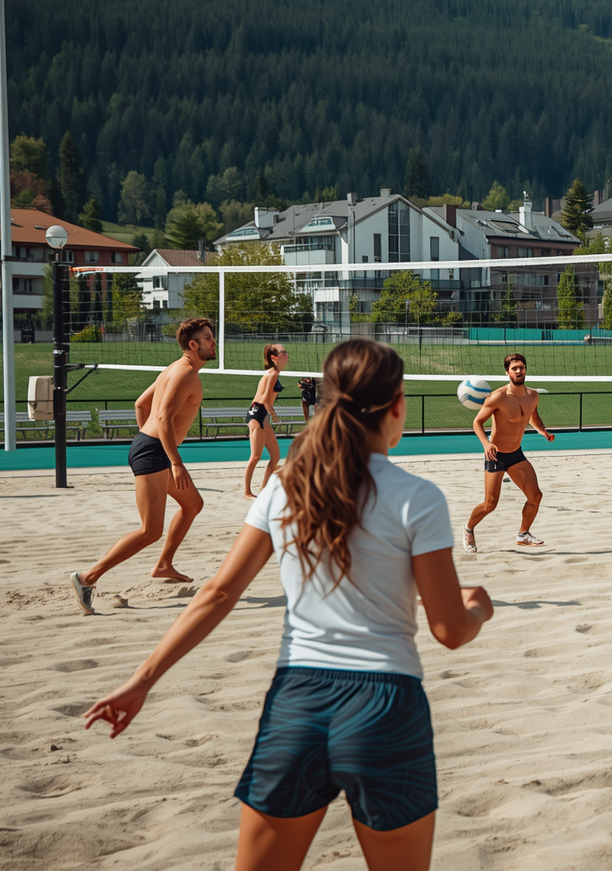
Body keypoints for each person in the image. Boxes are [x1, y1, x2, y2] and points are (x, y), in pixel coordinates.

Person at [84, 339, 492, 871]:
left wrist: (142, 679)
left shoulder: (286, 486)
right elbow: (450, 630)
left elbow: (218, 593)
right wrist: (477, 606)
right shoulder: (418, 497)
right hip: (387, 706)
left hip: (300, 701)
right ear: (396, 406)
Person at [68, 318, 215, 614]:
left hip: (153, 447)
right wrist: (173, 460)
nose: (214, 342)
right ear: (193, 344)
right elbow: (161, 418)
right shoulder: (185, 373)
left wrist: (149, 441)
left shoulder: (174, 369)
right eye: (209, 338)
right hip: (155, 452)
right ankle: (87, 578)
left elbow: (140, 404)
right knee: (150, 530)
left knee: (193, 504)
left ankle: (163, 564)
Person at [464, 353, 554, 551]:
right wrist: (486, 444)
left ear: (525, 369)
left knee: (535, 496)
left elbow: (533, 416)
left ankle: (523, 534)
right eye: (514, 368)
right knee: (490, 504)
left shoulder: (533, 395)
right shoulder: (498, 397)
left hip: (516, 455)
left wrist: (542, 431)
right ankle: (469, 528)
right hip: (495, 455)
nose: (519, 371)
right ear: (507, 372)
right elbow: (477, 422)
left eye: (521, 367)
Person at [244, 344, 288, 499]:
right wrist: (275, 415)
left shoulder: (274, 373)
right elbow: (264, 400)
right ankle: (247, 492)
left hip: (263, 416)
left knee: (275, 456)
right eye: (283, 352)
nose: (286, 355)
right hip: (258, 414)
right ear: (274, 357)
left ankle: (264, 490)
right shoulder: (272, 374)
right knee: (255, 456)